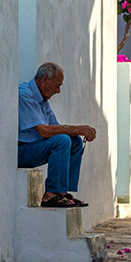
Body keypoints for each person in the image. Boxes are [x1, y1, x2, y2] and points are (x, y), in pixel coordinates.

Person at [18, 62, 96, 208]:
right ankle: (51, 194)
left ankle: (62, 192)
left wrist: (77, 131)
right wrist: (76, 129)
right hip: (19, 151)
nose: (58, 91)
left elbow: (56, 127)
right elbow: (44, 131)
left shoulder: (42, 99)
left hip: (33, 149)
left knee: (75, 141)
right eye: (57, 85)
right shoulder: (25, 95)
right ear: (45, 80)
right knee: (62, 140)